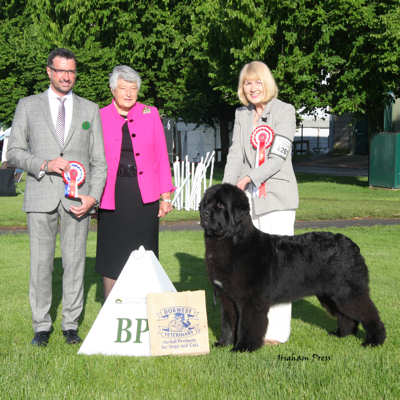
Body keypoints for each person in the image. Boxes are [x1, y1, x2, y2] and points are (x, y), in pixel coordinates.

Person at [7, 48, 107, 346]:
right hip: (40, 197)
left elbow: (99, 161)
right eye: (61, 70)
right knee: (40, 264)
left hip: (78, 200)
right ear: (49, 71)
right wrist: (45, 165)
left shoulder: (90, 109)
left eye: (72, 71)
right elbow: (13, 152)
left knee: (76, 263)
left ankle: (71, 325)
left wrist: (93, 197)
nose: (66, 76)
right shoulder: (28, 106)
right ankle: (41, 326)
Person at [223, 61, 299, 345]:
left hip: (277, 199)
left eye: (257, 82)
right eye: (247, 83)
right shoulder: (241, 115)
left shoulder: (284, 111)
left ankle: (277, 333)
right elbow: (234, 154)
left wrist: (248, 179)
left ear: (267, 83)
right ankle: (253, 325)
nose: (252, 88)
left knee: (276, 268)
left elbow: (278, 157)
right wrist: (228, 189)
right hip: (247, 202)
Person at [95, 65, 175, 300]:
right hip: (112, 195)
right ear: (113, 90)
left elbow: (161, 156)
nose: (128, 93)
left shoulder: (151, 114)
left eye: (133, 88)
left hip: (144, 197)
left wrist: (165, 195)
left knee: (145, 255)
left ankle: (144, 306)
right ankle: (111, 307)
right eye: (123, 88)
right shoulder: (98, 116)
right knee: (112, 254)